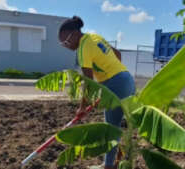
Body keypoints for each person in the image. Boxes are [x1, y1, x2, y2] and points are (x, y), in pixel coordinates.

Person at [58, 16, 135, 169]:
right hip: (127, 79)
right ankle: (115, 163)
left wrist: (81, 108)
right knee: (116, 127)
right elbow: (118, 54)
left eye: (65, 42)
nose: (66, 46)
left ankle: (108, 166)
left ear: (73, 34)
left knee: (110, 129)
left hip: (116, 84)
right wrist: (109, 77)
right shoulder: (95, 37)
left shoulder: (82, 49)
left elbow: (89, 83)